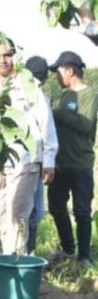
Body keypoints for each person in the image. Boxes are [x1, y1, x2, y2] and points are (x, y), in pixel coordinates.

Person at [0, 39, 54, 256]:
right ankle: (13, 257)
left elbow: (45, 121)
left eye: (8, 55)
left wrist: (49, 159)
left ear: (15, 57)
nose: (3, 60)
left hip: (25, 158)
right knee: (0, 213)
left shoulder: (28, 84)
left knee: (17, 214)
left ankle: (14, 264)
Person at [48, 51, 97, 267]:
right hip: (60, 163)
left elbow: (85, 124)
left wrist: (57, 113)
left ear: (70, 71)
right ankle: (68, 248)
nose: (57, 77)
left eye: (59, 71)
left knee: (82, 210)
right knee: (56, 206)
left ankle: (84, 255)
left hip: (80, 164)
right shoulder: (63, 96)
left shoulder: (90, 95)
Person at [24, 56, 59, 254]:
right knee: (33, 212)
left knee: (24, 211)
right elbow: (47, 130)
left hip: (19, 161)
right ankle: (27, 252)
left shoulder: (16, 89)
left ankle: (25, 251)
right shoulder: (37, 94)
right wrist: (49, 162)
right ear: (44, 78)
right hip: (33, 161)